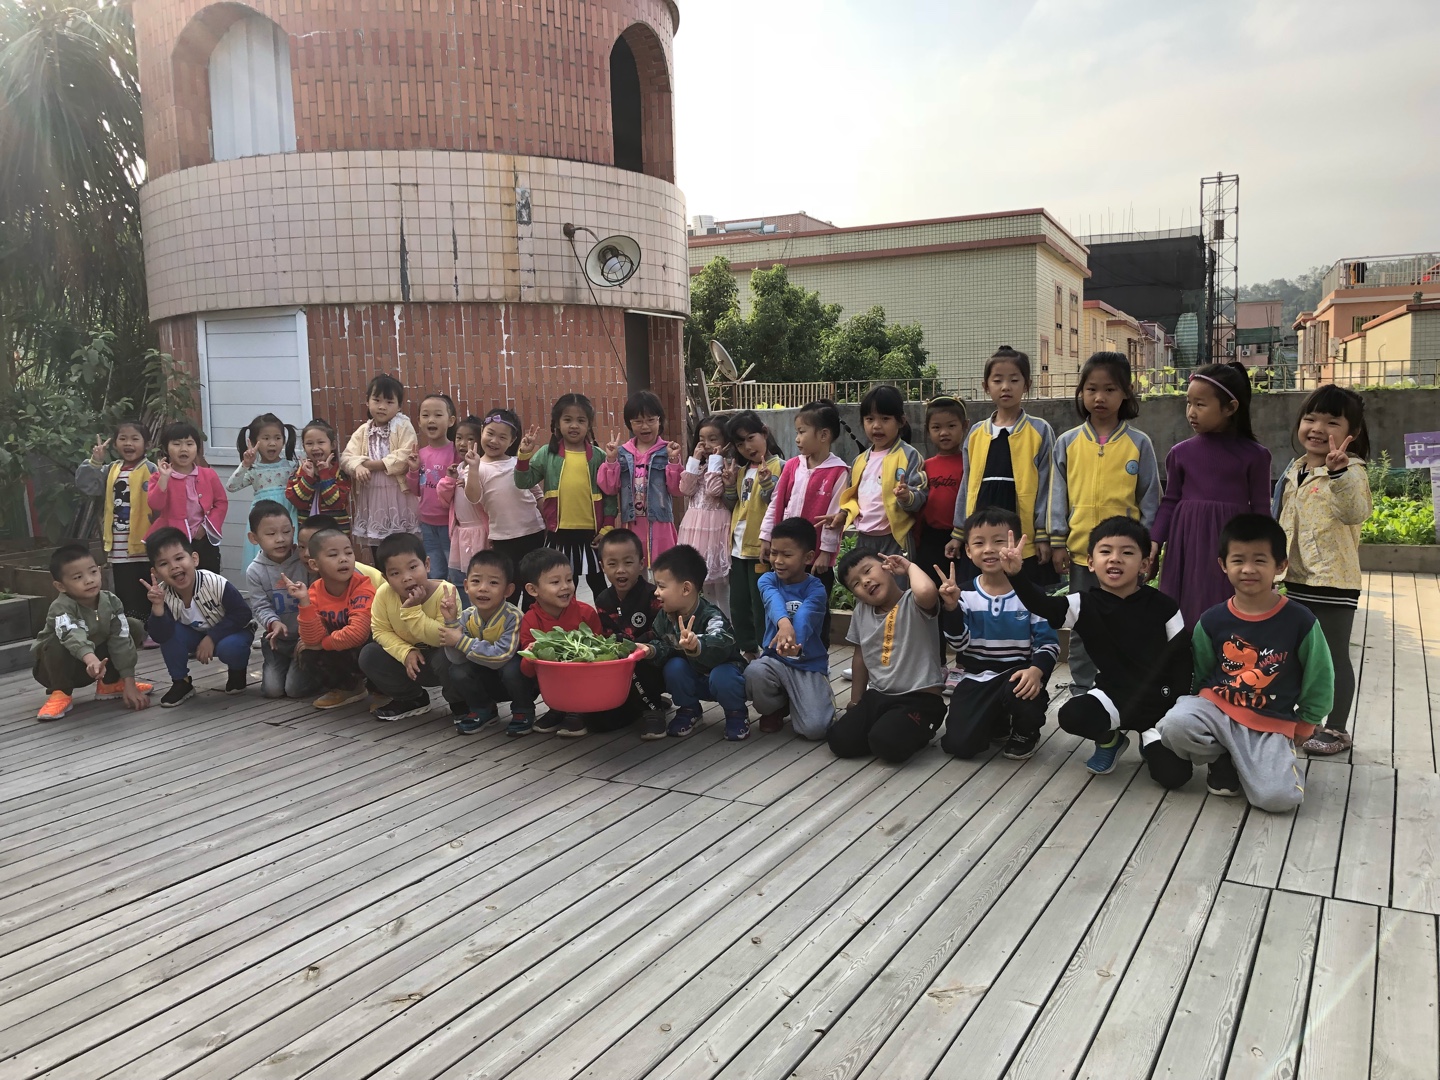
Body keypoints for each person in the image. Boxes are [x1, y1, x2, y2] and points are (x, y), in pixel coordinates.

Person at [1149, 514, 1334, 812]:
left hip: (1269, 720)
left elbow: (1320, 675)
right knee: (1174, 725)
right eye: (1238, 560)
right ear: (1223, 565)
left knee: (1277, 799)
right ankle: (1221, 758)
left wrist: (1308, 721)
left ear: (1280, 565)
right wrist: (1194, 705)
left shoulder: (1300, 621)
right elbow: (1202, 671)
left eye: (1260, 560)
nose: (1248, 569)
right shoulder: (1212, 619)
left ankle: (1254, 764)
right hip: (1217, 709)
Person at [999, 517, 1192, 777]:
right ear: (1091, 562)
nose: (1115, 559)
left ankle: (1151, 741)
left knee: (1174, 776)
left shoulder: (1165, 606)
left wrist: (1178, 707)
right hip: (1113, 698)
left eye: (1127, 553)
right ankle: (1110, 740)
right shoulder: (1083, 604)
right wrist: (1015, 574)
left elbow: (1182, 659)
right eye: (1105, 551)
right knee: (1072, 715)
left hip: (1160, 704)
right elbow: (1042, 606)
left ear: (1145, 564)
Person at [1046, 352, 1161, 689]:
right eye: (1091, 389)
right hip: (1084, 556)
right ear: (1081, 392)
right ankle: (1083, 686)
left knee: (1126, 622)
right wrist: (1057, 541)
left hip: (1125, 556)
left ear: (1125, 393)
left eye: (1109, 389)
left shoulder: (1139, 443)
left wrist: (1148, 548)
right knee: (1083, 623)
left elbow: (1151, 499)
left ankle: (1125, 685)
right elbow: (1056, 496)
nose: (1099, 397)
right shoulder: (1067, 442)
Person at [1271, 385, 1372, 755]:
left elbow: (1356, 512)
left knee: (1332, 656)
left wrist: (1339, 474)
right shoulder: (1296, 468)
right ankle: (1302, 720)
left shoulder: (1352, 471)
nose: (1317, 428)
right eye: (1310, 418)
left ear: (1352, 433)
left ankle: (1338, 729)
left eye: (1331, 422)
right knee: (1299, 654)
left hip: (1333, 580)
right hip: (1296, 577)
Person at [1151, 362, 1272, 626]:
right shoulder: (1180, 453)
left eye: (1200, 404)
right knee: (1183, 615)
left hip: (1231, 545)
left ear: (1230, 408)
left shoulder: (1256, 456)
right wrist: (1154, 541)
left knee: (1228, 615)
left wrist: (1265, 555)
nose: (1191, 412)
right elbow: (1170, 501)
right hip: (1186, 544)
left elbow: (1262, 509)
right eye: (1188, 403)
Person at [938, 507, 1059, 761]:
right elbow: (959, 643)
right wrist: (951, 608)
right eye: (979, 543)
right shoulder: (964, 594)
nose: (989, 549)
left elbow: (1048, 644)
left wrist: (1036, 670)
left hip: (1017, 675)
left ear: (1017, 546)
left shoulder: (1033, 595)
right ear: (968, 551)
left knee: (1025, 691)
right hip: (976, 677)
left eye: (999, 541)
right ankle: (999, 720)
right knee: (959, 745)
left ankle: (1026, 732)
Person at [945, 345, 1056, 584]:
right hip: (982, 517)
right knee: (982, 584)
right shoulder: (976, 433)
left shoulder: (1039, 430)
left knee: (1022, 588)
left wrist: (1043, 535)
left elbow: (1048, 486)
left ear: (1026, 385)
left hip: (1021, 523)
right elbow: (967, 485)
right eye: (997, 380)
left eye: (1014, 380)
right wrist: (959, 532)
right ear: (986, 386)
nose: (1006, 387)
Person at [827, 548, 946, 764]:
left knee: (887, 743)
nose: (865, 582)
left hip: (919, 699)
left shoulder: (914, 602)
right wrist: (856, 701)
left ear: (887, 568)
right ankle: (888, 728)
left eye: (867, 571)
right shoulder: (862, 611)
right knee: (839, 740)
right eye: (855, 584)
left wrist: (909, 567)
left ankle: (918, 728)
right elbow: (860, 657)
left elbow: (927, 591)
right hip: (879, 695)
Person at [637, 544, 750, 741]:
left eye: (662, 586)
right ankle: (690, 709)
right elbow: (663, 644)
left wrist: (697, 644)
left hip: (721, 678)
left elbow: (722, 640)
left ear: (686, 588)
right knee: (674, 666)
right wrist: (651, 650)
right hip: (694, 678)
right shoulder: (664, 617)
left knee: (724, 674)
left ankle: (736, 713)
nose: (656, 592)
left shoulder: (711, 615)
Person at [760, 399, 850, 646]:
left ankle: (816, 653)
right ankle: (779, 648)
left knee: (816, 607)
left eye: (802, 432)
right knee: (783, 602)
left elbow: (835, 515)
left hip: (815, 559)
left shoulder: (838, 471)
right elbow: (777, 502)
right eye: (797, 432)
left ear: (823, 435)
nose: (797, 439)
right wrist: (766, 537)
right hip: (787, 552)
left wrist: (825, 552)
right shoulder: (792, 466)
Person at [31, 544, 153, 721]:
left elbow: (121, 640)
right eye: (78, 577)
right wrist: (90, 658)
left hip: (96, 667)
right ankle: (60, 693)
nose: (89, 580)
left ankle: (111, 683)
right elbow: (71, 634)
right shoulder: (61, 607)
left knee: (132, 626)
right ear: (61, 586)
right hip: (55, 669)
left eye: (93, 572)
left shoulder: (111, 601)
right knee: (56, 642)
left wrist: (129, 682)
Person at [514, 393, 615, 600]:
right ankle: (567, 621)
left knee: (599, 584)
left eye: (581, 420)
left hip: (592, 535)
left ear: (589, 425)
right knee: (566, 585)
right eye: (567, 419)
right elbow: (523, 482)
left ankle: (607, 618)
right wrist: (524, 455)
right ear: (557, 424)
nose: (574, 425)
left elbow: (610, 494)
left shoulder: (599, 457)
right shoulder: (546, 454)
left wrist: (607, 527)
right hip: (558, 534)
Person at [358, 532, 466, 722]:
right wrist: (405, 652)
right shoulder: (384, 594)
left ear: (427, 565)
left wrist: (412, 612)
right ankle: (413, 699)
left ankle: (461, 704)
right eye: (395, 573)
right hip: (410, 664)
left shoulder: (445, 592)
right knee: (370, 654)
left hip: (439, 659)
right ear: (385, 577)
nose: (406, 578)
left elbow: (442, 637)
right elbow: (380, 630)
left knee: (448, 654)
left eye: (413, 567)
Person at [143, 527, 255, 706]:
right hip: (196, 635)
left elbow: (243, 613)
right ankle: (181, 682)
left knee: (231, 647)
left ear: (194, 559)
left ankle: (237, 671)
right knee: (171, 632)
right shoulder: (162, 594)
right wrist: (157, 608)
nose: (174, 566)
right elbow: (160, 636)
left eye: (179, 558)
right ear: (155, 572)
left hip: (231, 633)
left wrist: (212, 638)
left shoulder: (215, 583)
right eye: (163, 564)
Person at [745, 517, 834, 738]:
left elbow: (805, 616)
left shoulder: (816, 589)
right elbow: (772, 600)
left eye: (787, 555)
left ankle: (808, 699)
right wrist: (784, 624)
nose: (778, 561)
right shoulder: (767, 580)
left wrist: (795, 642)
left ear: (808, 557)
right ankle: (776, 708)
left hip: (808, 664)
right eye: (774, 553)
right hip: (775, 660)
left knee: (815, 729)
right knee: (754, 672)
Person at [440, 550, 534, 735]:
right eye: (476, 581)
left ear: (508, 590)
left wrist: (460, 640)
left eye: (493, 583)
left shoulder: (513, 617)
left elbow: (501, 656)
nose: (483, 588)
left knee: (513, 668)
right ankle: (483, 709)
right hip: (486, 677)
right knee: (457, 670)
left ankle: (523, 710)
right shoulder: (467, 616)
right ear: (466, 586)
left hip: (514, 681)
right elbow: (457, 659)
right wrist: (451, 623)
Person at [281, 526, 375, 709]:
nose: (343, 558)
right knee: (306, 651)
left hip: (368, 647)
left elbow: (358, 634)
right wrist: (305, 602)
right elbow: (311, 640)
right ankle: (348, 688)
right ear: (314, 565)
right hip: (341, 646)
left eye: (348, 552)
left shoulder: (363, 586)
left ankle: (384, 692)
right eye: (333, 555)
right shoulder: (314, 591)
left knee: (374, 650)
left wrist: (322, 644)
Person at [832, 384, 928, 562]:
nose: (876, 426)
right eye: (869, 419)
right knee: (866, 579)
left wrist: (907, 497)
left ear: (901, 421)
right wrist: (844, 514)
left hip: (895, 539)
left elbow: (920, 495)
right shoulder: (860, 460)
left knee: (898, 579)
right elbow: (853, 496)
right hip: (864, 537)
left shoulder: (909, 455)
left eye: (885, 419)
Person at [514, 547, 604, 737]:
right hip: (550, 681)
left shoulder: (586, 613)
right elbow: (527, 671)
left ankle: (578, 711)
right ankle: (557, 708)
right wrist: (531, 654)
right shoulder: (530, 620)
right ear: (532, 589)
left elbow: (600, 653)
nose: (565, 587)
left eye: (569, 580)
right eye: (555, 582)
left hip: (585, 677)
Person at [74, 421, 155, 627]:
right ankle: (133, 630)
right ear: (115, 444)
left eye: (135, 439)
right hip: (119, 545)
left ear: (147, 444)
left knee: (149, 587)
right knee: (126, 589)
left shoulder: (152, 469)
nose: (129, 443)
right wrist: (95, 461)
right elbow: (87, 486)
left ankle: (152, 629)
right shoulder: (111, 470)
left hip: (146, 542)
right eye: (123, 438)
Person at [592, 528, 669, 739]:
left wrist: (634, 646)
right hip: (619, 666)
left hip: (650, 661)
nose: (620, 570)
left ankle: (653, 709)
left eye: (628, 562)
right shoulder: (603, 600)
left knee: (641, 659)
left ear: (641, 563)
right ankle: (635, 705)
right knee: (598, 723)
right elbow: (607, 636)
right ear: (602, 567)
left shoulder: (653, 595)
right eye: (612, 564)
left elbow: (659, 633)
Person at [464, 408, 547, 599]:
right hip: (503, 538)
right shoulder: (476, 466)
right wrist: (474, 468)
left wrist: (549, 522)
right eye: (490, 433)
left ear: (511, 441)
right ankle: (510, 617)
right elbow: (473, 497)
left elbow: (537, 494)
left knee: (534, 584)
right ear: (482, 431)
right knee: (509, 587)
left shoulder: (518, 463)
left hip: (533, 531)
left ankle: (532, 617)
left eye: (502, 437)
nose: (494, 441)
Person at [598, 390, 684, 565]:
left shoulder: (668, 451)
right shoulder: (621, 453)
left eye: (651, 420)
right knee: (633, 569)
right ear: (629, 424)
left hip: (660, 525)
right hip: (631, 524)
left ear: (660, 420)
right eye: (638, 421)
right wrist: (611, 460)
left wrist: (674, 461)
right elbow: (609, 488)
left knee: (663, 569)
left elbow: (677, 490)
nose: (645, 426)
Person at [723, 410, 784, 660]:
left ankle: (767, 647)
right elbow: (733, 504)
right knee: (739, 603)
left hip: (760, 548)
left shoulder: (780, 466)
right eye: (740, 444)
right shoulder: (742, 471)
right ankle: (748, 649)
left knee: (760, 603)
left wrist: (768, 483)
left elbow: (778, 504)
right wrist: (729, 485)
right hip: (737, 548)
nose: (747, 447)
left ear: (764, 433)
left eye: (751, 438)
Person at [342, 373, 420, 564]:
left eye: (389, 402)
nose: (382, 406)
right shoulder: (363, 430)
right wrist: (357, 466)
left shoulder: (403, 426)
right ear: (367, 402)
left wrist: (371, 465)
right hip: (372, 496)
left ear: (399, 406)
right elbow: (346, 457)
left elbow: (406, 455)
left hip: (398, 495)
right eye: (376, 400)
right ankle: (381, 578)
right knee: (378, 548)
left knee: (402, 544)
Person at [244, 500, 316, 700]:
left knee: (294, 690)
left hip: (306, 639)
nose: (280, 539)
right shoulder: (255, 571)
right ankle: (284, 663)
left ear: (293, 529)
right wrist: (273, 623)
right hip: (278, 641)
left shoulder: (304, 561)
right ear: (253, 538)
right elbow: (260, 606)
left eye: (286, 531)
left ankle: (319, 673)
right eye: (271, 534)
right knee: (273, 690)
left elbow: (317, 598)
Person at [146, 421, 227, 572]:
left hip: (203, 539)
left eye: (190, 444)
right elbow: (155, 504)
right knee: (179, 577)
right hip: (173, 542)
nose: (184, 449)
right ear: (166, 448)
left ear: (197, 447)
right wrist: (164, 478)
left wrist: (205, 527)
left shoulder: (208, 474)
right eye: (176, 444)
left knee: (208, 577)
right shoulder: (159, 477)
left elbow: (221, 502)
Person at [677, 414, 735, 612]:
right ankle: (714, 622)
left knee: (722, 586)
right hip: (695, 527)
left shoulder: (726, 466)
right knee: (705, 583)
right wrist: (694, 460)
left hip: (715, 527)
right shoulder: (700, 466)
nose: (706, 445)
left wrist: (716, 460)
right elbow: (685, 489)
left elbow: (714, 490)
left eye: (713, 439)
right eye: (702, 439)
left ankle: (728, 624)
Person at [227, 412, 299, 567]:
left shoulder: (292, 467)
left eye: (277, 438)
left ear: (284, 440)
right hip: (262, 517)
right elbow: (231, 486)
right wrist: (245, 464)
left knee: (290, 555)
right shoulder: (253, 470)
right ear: (254, 442)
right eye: (266, 438)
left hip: (288, 514)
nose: (272, 443)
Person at [407, 393, 459, 580]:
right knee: (435, 573)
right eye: (425, 415)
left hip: (450, 524)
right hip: (427, 524)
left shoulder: (455, 452)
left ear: (451, 420)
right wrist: (413, 470)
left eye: (438, 415)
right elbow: (415, 490)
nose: (431, 420)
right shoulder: (420, 454)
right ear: (419, 421)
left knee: (455, 573)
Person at [437, 416, 490, 588]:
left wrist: (470, 484)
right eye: (459, 438)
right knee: (459, 579)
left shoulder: (482, 468)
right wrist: (449, 480)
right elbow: (444, 501)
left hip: (481, 532)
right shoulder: (458, 469)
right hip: (460, 533)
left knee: (482, 574)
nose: (462, 443)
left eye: (470, 439)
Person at [286, 419, 351, 532]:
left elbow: (335, 502)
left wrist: (325, 474)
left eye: (320, 442)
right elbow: (297, 501)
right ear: (304, 446)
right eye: (309, 443)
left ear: (333, 445)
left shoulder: (341, 474)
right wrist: (308, 478)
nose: (315, 448)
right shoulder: (298, 472)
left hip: (336, 533)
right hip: (308, 534)